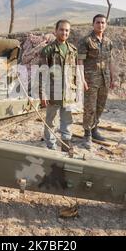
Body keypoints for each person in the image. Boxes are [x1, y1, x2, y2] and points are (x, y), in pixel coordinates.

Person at [39, 20, 78, 152]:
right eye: (61, 29)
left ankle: (66, 143)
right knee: (51, 120)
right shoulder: (48, 50)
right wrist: (43, 94)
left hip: (68, 92)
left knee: (67, 119)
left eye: (67, 30)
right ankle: (51, 145)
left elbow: (75, 72)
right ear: (55, 31)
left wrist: (76, 90)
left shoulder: (73, 50)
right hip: (53, 91)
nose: (64, 32)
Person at [78, 14, 115, 150]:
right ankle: (87, 134)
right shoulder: (86, 41)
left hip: (104, 79)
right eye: (98, 22)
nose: (100, 25)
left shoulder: (108, 42)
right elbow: (80, 61)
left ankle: (94, 130)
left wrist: (112, 77)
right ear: (93, 24)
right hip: (90, 79)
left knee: (100, 106)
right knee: (89, 107)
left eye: (103, 23)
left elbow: (110, 60)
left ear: (106, 25)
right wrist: (81, 79)